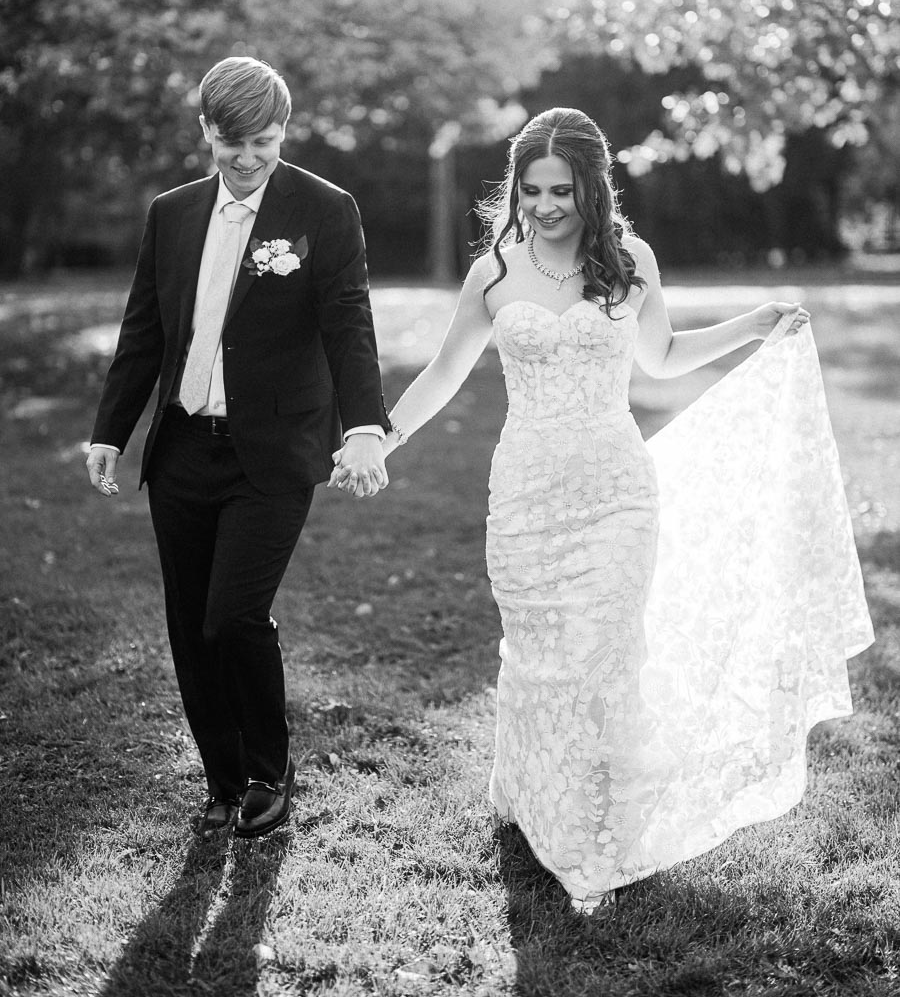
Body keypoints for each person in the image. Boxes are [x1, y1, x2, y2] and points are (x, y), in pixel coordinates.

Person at [331, 106, 872, 911]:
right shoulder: (495, 272)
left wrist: (753, 326)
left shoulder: (631, 261)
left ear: (593, 186)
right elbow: (443, 374)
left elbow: (660, 358)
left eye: (563, 190)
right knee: (540, 654)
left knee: (604, 658)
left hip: (617, 494)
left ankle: (592, 838)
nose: (546, 206)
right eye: (533, 189)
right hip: (524, 494)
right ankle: (529, 793)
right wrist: (379, 435)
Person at [86, 56, 390, 840]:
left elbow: (348, 323)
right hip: (184, 446)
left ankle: (268, 769)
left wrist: (365, 426)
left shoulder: (324, 209)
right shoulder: (174, 213)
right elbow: (143, 330)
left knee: (233, 616)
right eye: (232, 143)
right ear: (206, 133)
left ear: (284, 132)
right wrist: (110, 431)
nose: (249, 158)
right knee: (190, 624)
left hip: (273, 449)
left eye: (265, 141)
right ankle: (222, 782)